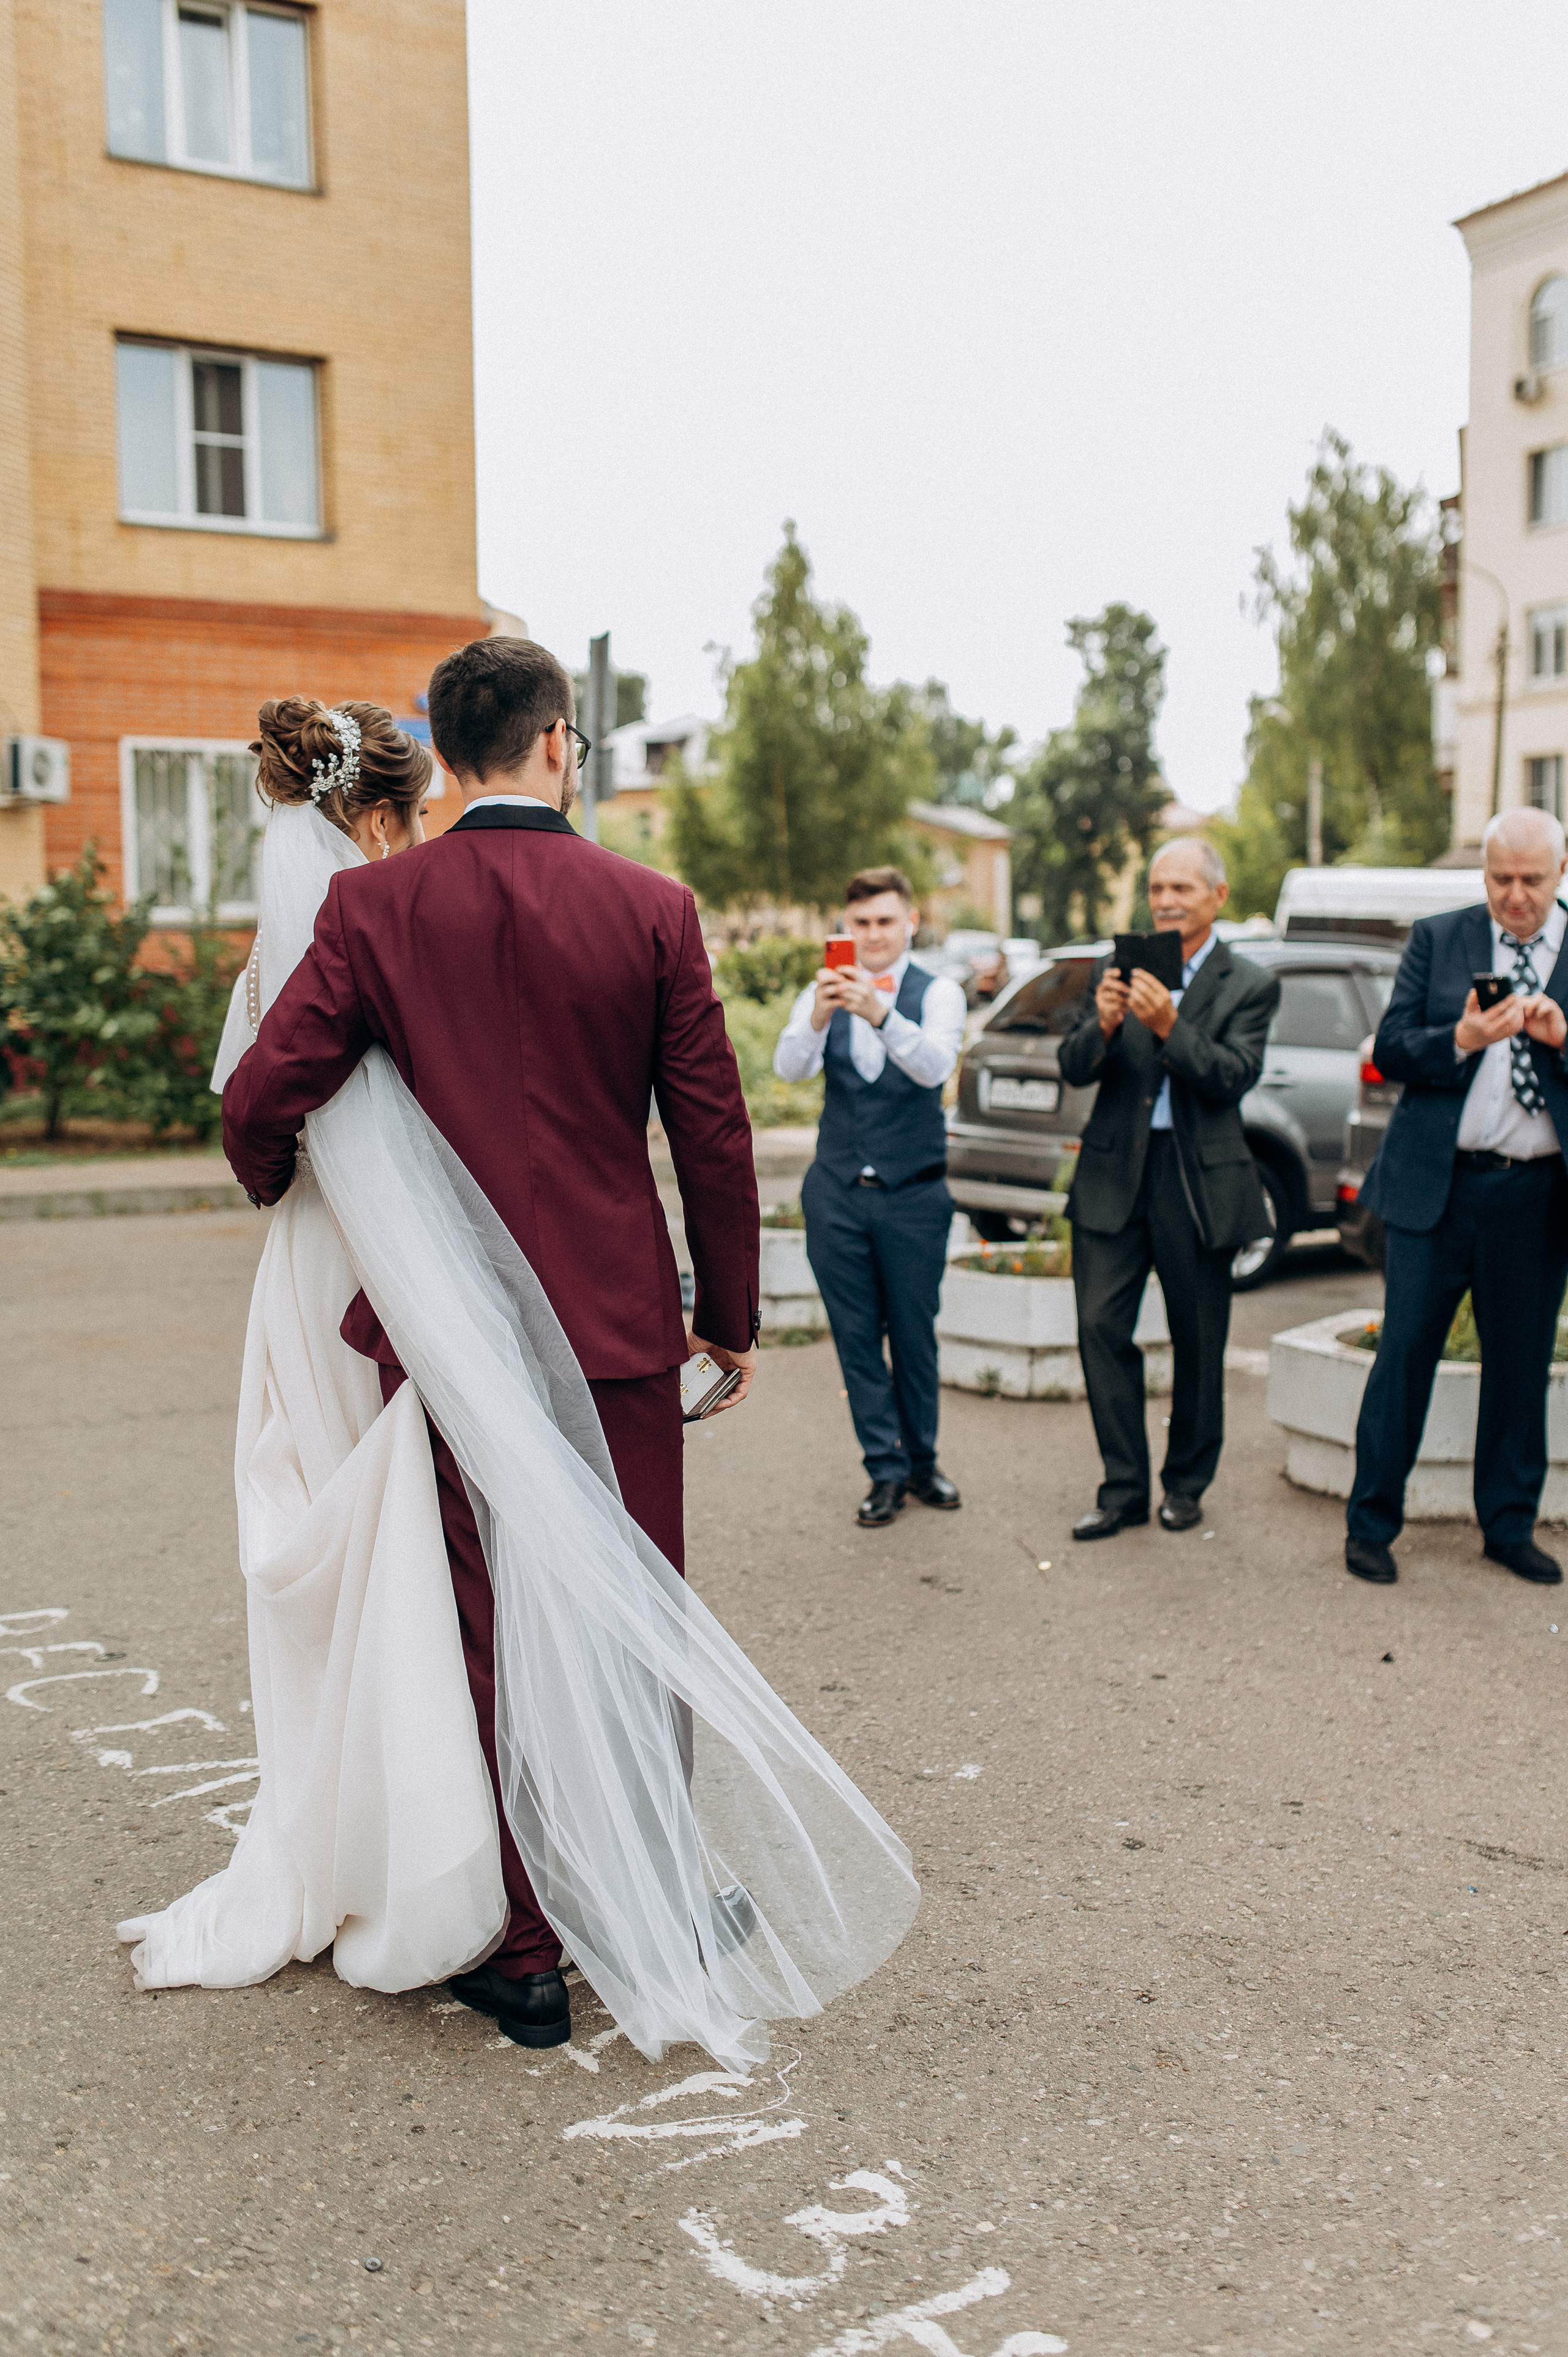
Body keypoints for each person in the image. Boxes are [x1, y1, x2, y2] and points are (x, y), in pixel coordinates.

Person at [118, 654, 919, 2071]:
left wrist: (276, 1184)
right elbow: (710, 1129)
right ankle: (651, 1894)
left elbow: (265, 1092)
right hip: (616, 1331)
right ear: (557, 743)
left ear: (453, 747)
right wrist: (724, 1313)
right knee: (635, 1615)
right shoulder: (650, 906)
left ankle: (529, 1954)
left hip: (454, 1339)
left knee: (491, 1629)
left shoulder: (375, 904)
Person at [1345, 806, 1568, 1587]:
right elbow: (1392, 1046)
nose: (1513, 896)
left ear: (1560, 874)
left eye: (1530, 880)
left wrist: (1562, 1038)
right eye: (1499, 878)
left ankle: (1507, 1526)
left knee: (1520, 1366)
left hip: (1536, 1196)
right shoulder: (1440, 938)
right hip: (1434, 1190)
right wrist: (1461, 1041)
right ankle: (1370, 1523)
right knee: (1404, 1354)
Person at [1058, 838, 1280, 1539]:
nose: (1164, 901)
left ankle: (1185, 1483)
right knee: (1098, 1328)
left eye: (1181, 889)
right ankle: (1122, 1487)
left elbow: (1230, 1076)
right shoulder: (1112, 968)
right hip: (1111, 1175)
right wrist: (1104, 1022)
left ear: (1216, 897)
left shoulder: (1248, 983)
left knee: (1197, 1338)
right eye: (1156, 888)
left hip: (1195, 1181)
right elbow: (1073, 1066)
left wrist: (1168, 1027)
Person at [773, 868, 967, 1527]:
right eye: (860, 923)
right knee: (856, 1339)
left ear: (910, 922)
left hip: (914, 1194)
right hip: (836, 1195)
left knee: (914, 1335)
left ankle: (922, 1460)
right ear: (845, 926)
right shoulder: (819, 990)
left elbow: (935, 1067)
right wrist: (825, 1012)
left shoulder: (938, 992)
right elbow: (789, 1067)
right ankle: (881, 1470)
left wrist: (880, 1012)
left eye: (885, 921)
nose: (873, 934)